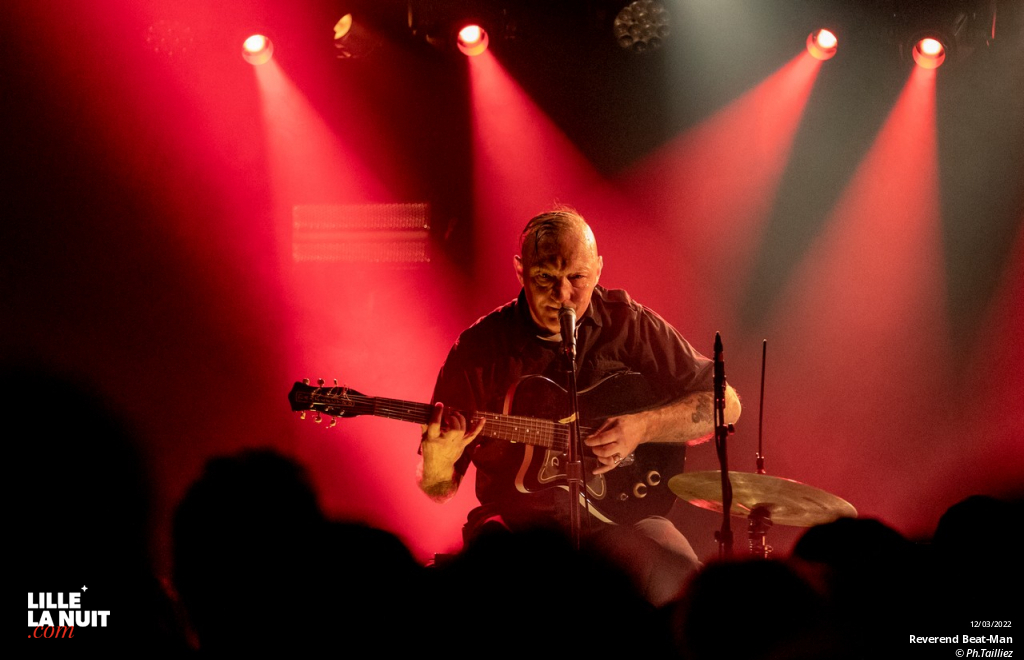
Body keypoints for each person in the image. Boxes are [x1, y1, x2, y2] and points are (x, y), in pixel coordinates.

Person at [418, 208, 740, 602]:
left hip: (625, 519)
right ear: (520, 271)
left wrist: (641, 428)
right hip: (517, 527)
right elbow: (438, 488)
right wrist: (438, 460)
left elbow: (726, 403)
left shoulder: (629, 325)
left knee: (683, 582)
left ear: (599, 269)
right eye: (545, 279)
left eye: (577, 278)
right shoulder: (479, 349)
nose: (563, 296)